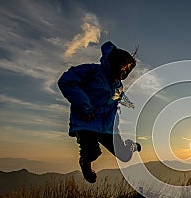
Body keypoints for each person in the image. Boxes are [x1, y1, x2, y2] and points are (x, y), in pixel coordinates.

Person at [58, 41, 141, 183]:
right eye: (124, 69)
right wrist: (85, 106)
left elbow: (113, 103)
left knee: (125, 156)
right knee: (92, 152)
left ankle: (130, 146)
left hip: (107, 127)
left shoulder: (118, 86)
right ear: (115, 64)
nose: (125, 73)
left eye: (128, 70)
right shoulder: (91, 71)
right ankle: (85, 162)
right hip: (87, 122)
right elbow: (66, 81)